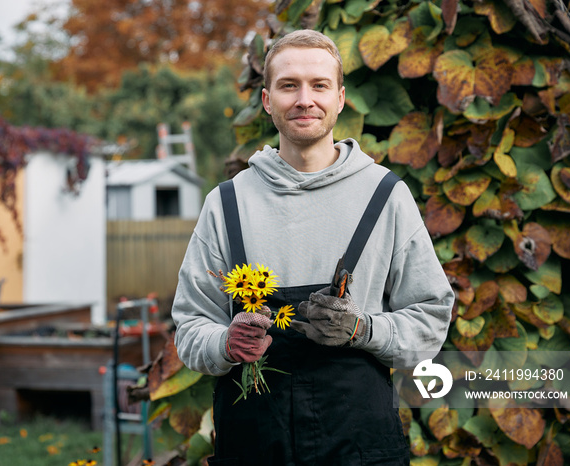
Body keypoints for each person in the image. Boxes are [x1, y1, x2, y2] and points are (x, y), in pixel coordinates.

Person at [171, 29, 454, 465]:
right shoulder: (227, 203)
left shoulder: (386, 197)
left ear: (340, 98)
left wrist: (364, 330)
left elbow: (431, 320)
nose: (305, 99)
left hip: (360, 448)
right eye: (289, 85)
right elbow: (190, 327)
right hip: (253, 447)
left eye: (319, 85)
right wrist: (227, 344)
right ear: (267, 100)